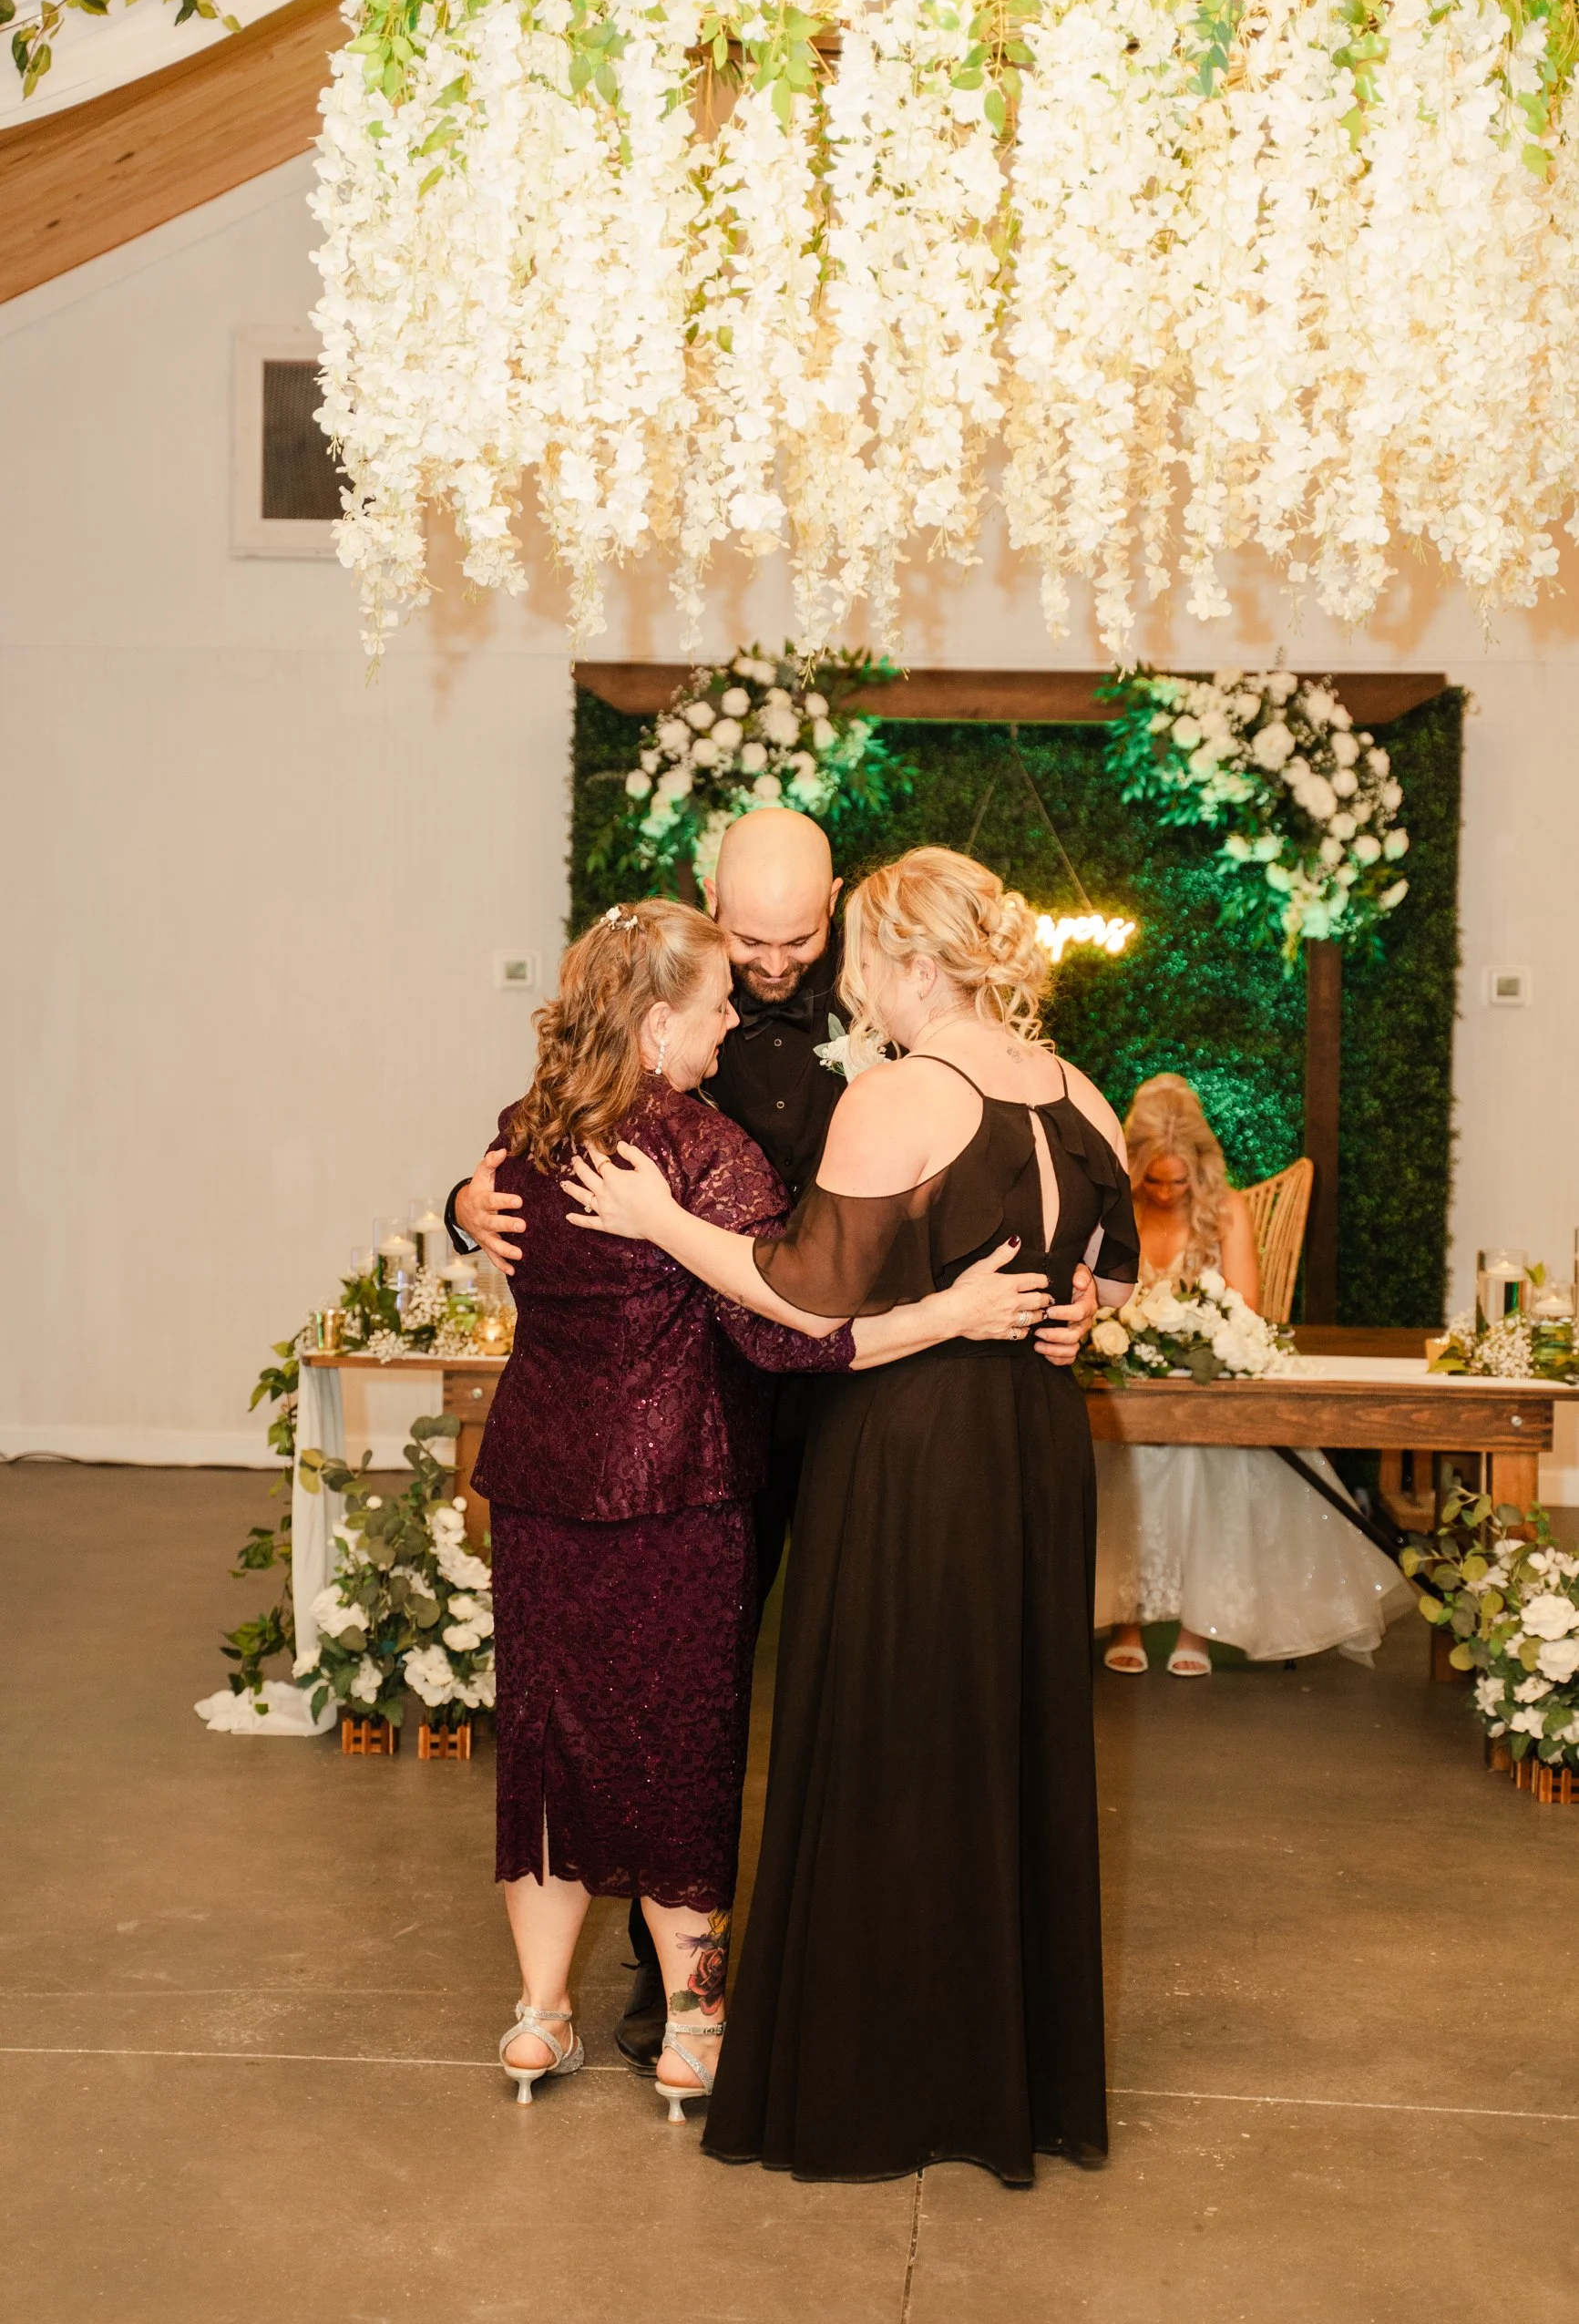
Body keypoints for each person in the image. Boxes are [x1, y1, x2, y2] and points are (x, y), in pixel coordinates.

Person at [446, 807, 1100, 2068]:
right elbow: (793, 1312)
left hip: (665, 1447)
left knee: (579, 1727)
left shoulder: (548, 1110)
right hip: (718, 1434)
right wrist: (462, 1205)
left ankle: (568, 2004)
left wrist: (1060, 1292)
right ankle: (683, 2008)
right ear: (695, 950)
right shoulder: (705, 1131)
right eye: (743, 954)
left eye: (798, 942)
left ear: (836, 911)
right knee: (684, 1727)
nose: (768, 973)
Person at [564, 847, 1140, 2185]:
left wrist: (656, 1216)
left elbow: (802, 1295)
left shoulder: (899, 1095)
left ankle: (883, 2072)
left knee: (889, 1732)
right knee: (1000, 1731)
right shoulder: (1080, 1092)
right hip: (1033, 1443)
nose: (854, 986)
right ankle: (1006, 2073)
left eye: (865, 961)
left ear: (912, 965)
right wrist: (1063, 1317)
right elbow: (1110, 1282)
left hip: (911, 1448)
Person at [1095, 1075, 1411, 1676]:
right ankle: (1124, 1618)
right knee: (1122, 1447)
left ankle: (1197, 1627)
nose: (1165, 1193)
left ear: (1200, 1168)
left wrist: (1187, 1337)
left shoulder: (1227, 1210)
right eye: (1152, 1180)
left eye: (1178, 1181)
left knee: (1202, 1453)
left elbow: (1246, 1310)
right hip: (1131, 1379)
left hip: (1208, 1383)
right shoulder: (1116, 1209)